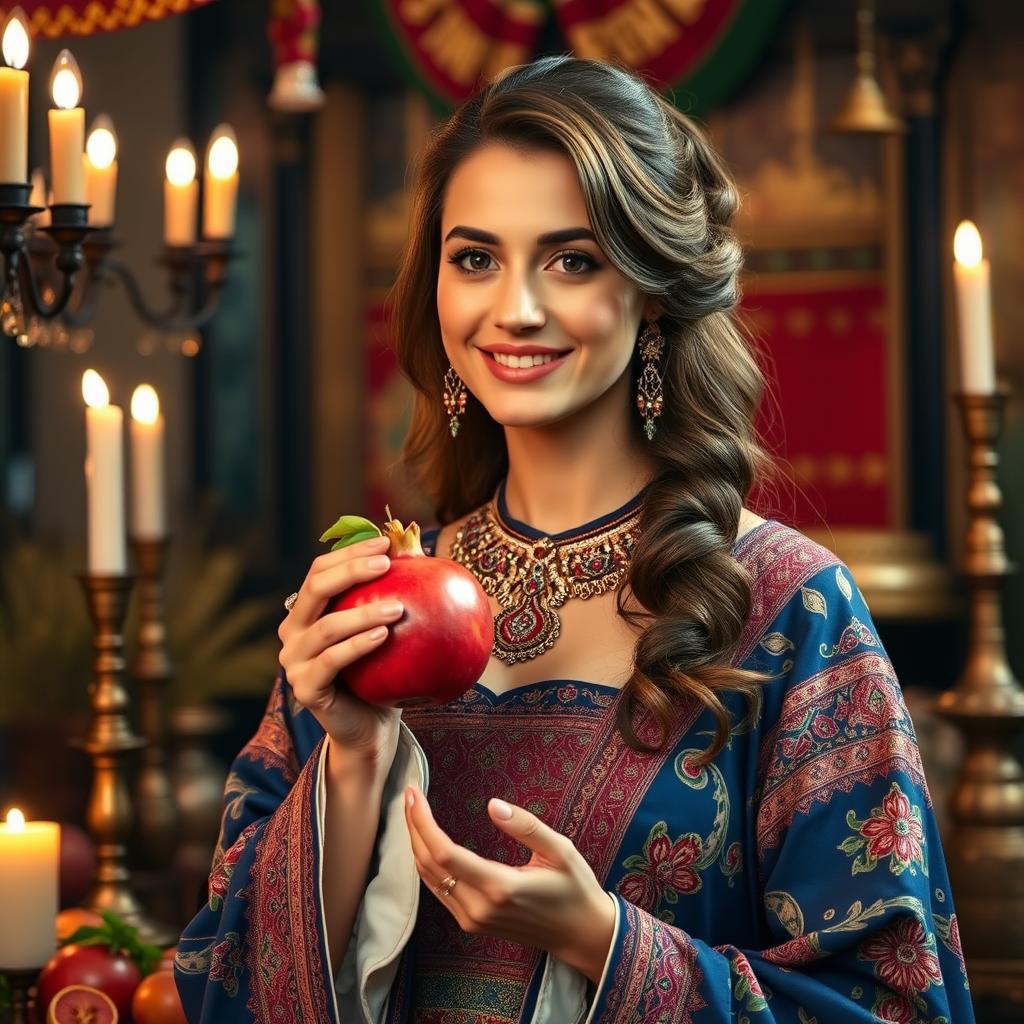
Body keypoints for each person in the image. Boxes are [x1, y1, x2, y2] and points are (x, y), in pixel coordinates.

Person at [173, 55, 974, 1024]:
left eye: (572, 259)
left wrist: (603, 941)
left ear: (653, 289)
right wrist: (348, 760)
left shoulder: (789, 608)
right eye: (474, 258)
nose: (514, 307)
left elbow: (897, 1005)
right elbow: (220, 982)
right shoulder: (370, 595)